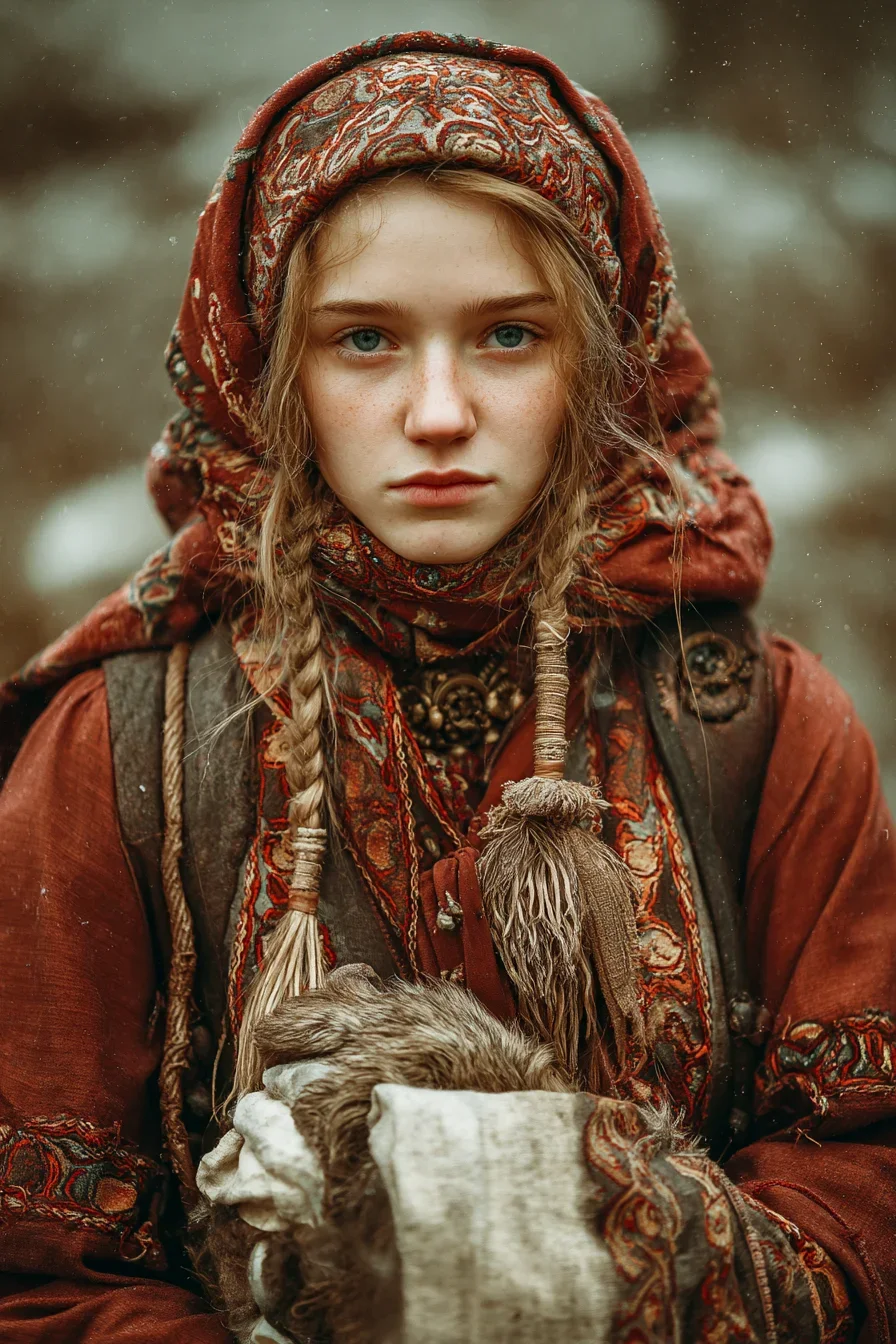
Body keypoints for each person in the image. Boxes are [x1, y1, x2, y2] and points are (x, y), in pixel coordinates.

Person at [0, 29, 893, 1343]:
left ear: (600, 362)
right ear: (269, 375)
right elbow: (43, 1274)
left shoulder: (752, 721)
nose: (436, 410)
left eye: (510, 337)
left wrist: (552, 1226)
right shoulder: (123, 747)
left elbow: (863, 1188)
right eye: (363, 340)